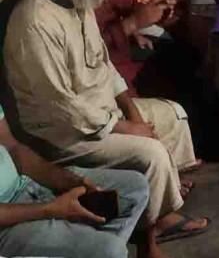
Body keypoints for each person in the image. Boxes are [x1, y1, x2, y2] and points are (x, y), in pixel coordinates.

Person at [3, 0, 210, 257]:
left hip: (101, 114)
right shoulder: (34, 24)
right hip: (66, 135)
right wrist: (127, 127)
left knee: (172, 116)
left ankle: (161, 204)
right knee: (150, 151)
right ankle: (153, 230)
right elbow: (64, 109)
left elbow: (104, 65)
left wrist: (129, 108)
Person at [0, 104, 149, 258]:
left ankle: (87, 243)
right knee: (110, 250)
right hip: (6, 224)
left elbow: (13, 148)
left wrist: (71, 181)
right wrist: (50, 209)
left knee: (135, 186)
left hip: (27, 185)